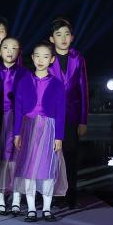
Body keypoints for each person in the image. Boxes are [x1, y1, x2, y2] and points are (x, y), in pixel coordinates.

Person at [12, 42, 68, 222]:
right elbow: (18, 109)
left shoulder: (57, 84)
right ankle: (30, 209)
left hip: (48, 129)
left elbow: (61, 112)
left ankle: (46, 208)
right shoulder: (24, 81)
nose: (41, 60)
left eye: (45, 56)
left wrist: (59, 136)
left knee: (47, 169)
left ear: (52, 59)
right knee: (28, 169)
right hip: (28, 127)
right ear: (32, 58)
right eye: (37, 56)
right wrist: (16, 133)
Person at [47, 18, 88, 209]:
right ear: (52, 38)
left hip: (72, 116)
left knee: (71, 155)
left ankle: (71, 195)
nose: (63, 38)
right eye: (58, 34)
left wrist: (83, 120)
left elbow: (83, 89)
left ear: (72, 37)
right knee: (52, 155)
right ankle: (54, 195)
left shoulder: (78, 58)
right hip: (51, 116)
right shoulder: (47, 57)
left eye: (66, 34)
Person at [0, 36, 28, 215]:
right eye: (6, 47)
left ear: (19, 51)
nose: (9, 51)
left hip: (17, 119)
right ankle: (0, 200)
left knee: (17, 156)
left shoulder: (25, 73)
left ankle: (16, 199)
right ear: (0, 50)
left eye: (14, 48)